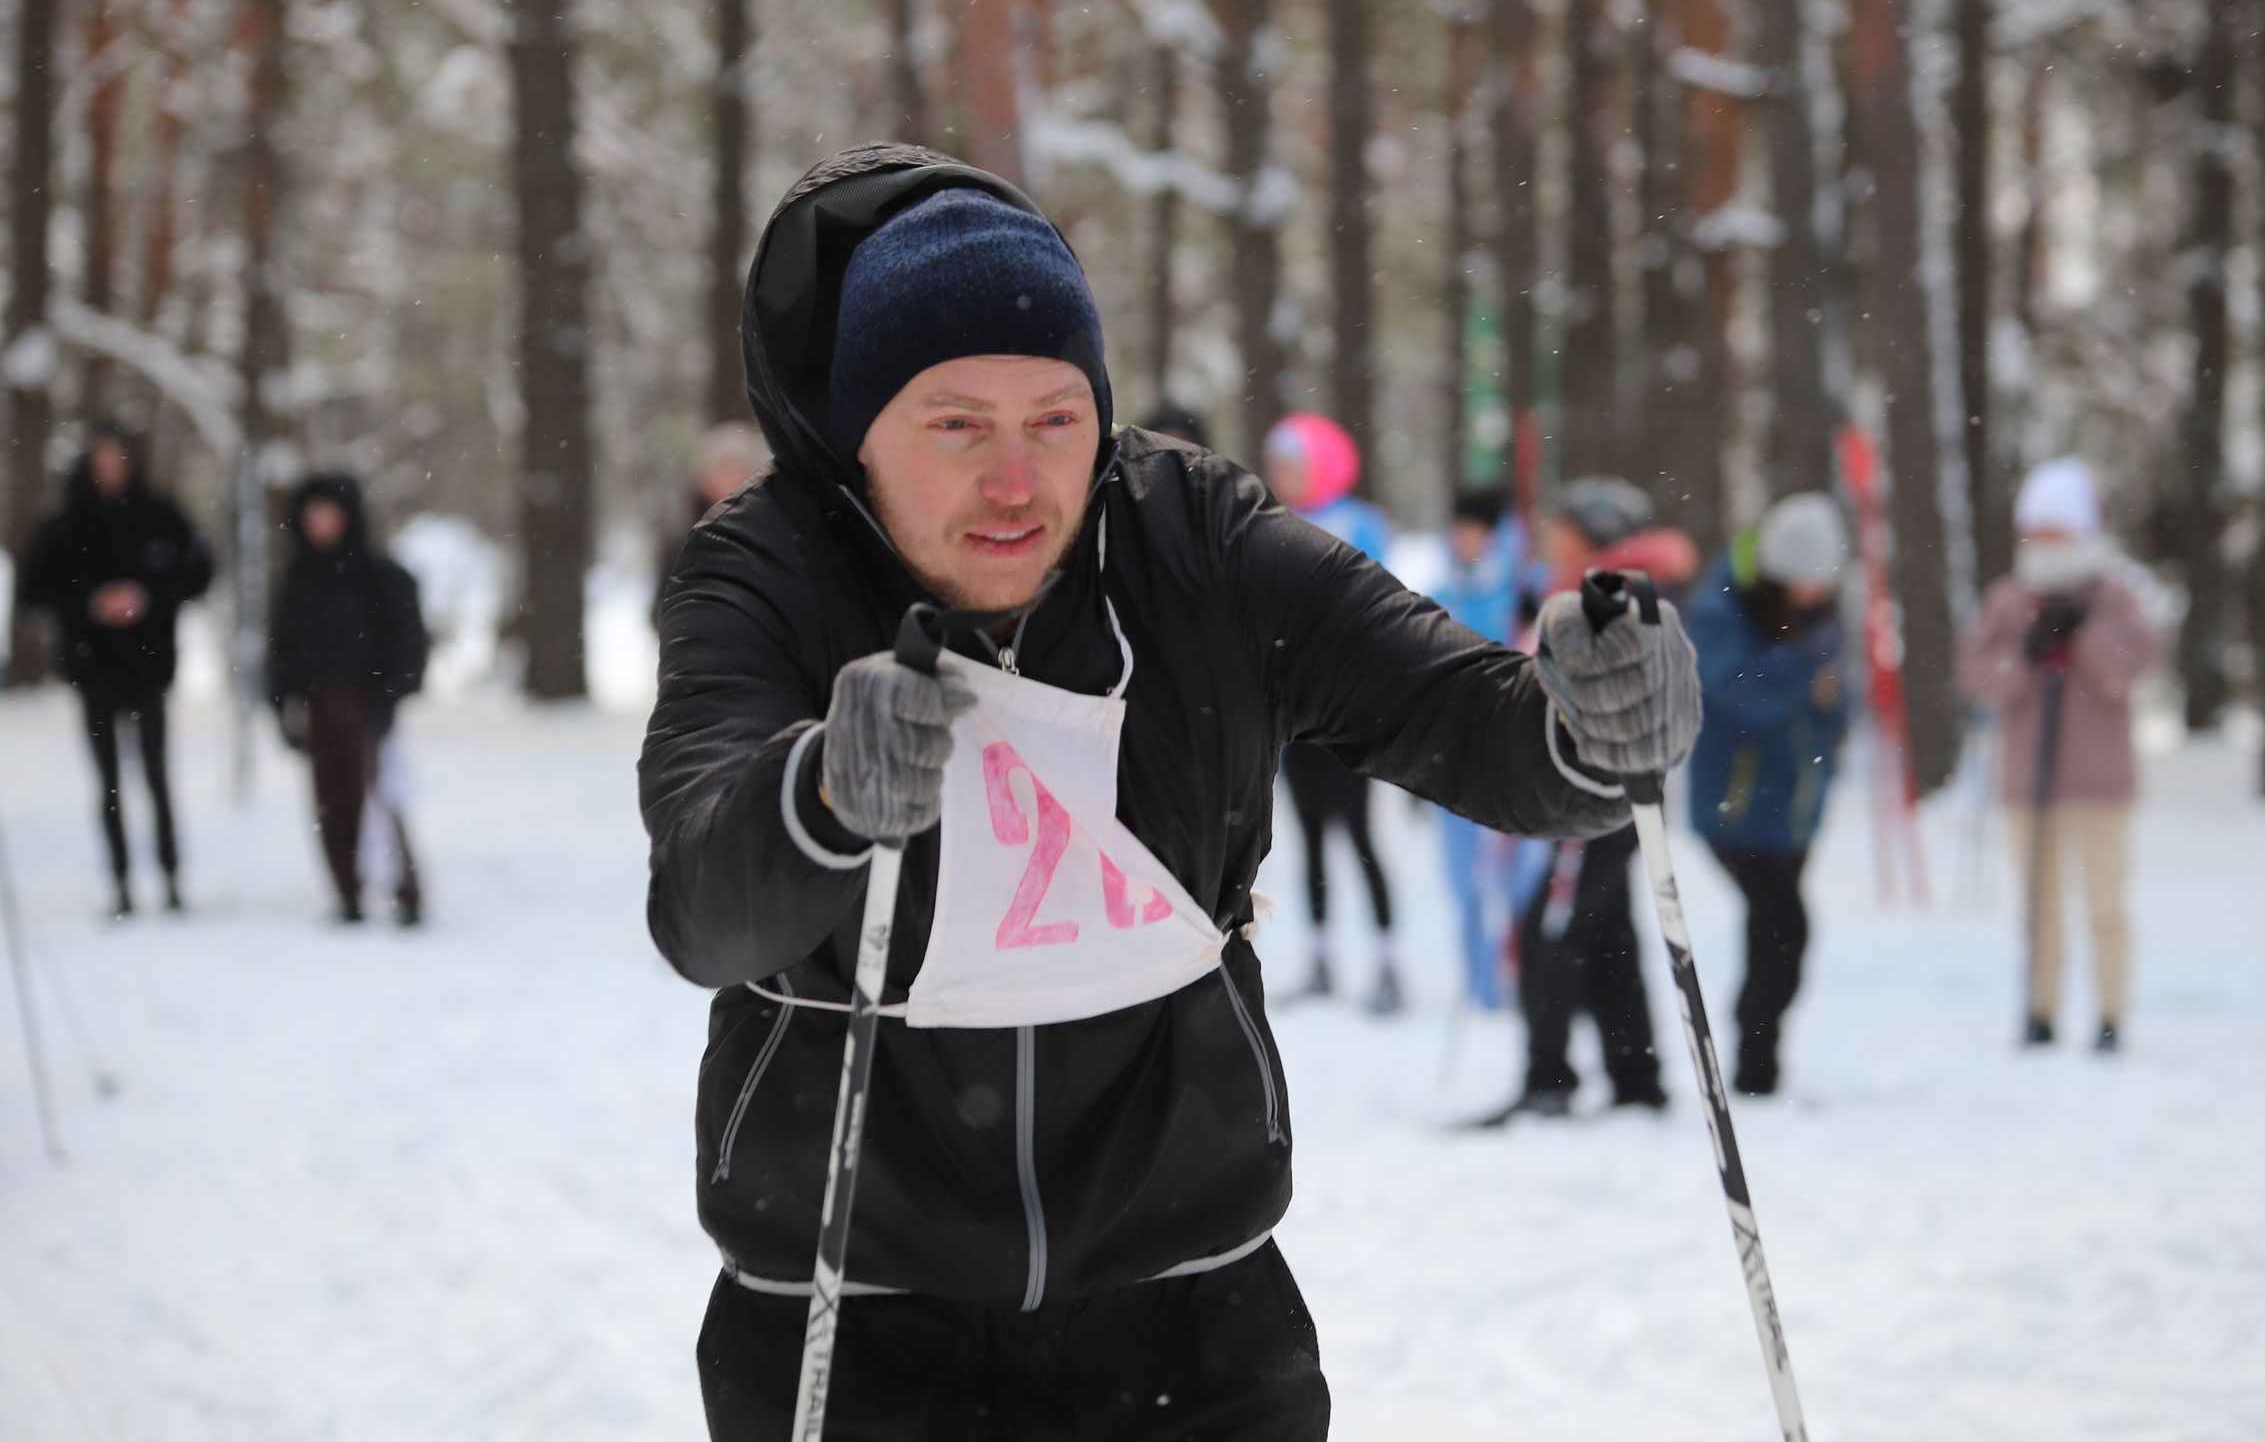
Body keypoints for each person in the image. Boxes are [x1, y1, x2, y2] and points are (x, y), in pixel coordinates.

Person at [641, 145, 1699, 1441]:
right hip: (853, 1314)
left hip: (1186, 1315)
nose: (1018, 480)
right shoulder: (767, 569)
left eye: (1055, 418)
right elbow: (701, 899)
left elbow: (1460, 715)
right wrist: (819, 798)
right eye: (957, 423)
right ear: (860, 436)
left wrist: (1595, 725)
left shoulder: (1192, 537)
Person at [1479, 476, 1702, 1123]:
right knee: (1606, 931)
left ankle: (1550, 1076)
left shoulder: (1612, 593)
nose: (1550, 540)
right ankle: (1636, 1074)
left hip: (1600, 789)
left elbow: (1560, 679)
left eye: (1562, 530)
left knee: (1551, 927)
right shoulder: (1613, 588)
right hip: (1616, 791)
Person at [1956, 457, 2161, 1052]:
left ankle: (2111, 1014)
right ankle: (2040, 1010)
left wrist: (2087, 631)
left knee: (2105, 904)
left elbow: (2130, 669)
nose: (2047, 544)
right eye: (2038, 532)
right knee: (2039, 908)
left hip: (2099, 782)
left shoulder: (2114, 597)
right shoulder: (2009, 600)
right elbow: (1979, 675)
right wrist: (2024, 654)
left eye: (2058, 531)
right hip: (2029, 779)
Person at [1683, 493, 1855, 1097]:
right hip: (1735, 807)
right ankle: (1756, 1059)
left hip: (1795, 805)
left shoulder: (1816, 614)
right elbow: (1737, 694)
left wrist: (1835, 697)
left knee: (1773, 931)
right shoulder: (1720, 605)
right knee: (1785, 926)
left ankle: (1760, 1062)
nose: (1813, 595)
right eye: (1803, 584)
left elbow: (1834, 699)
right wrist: (1808, 672)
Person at [15, 422, 214, 916]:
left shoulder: (159, 514)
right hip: (93, 667)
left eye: (117, 460)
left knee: (156, 775)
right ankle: (121, 881)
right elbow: (34, 589)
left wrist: (147, 596)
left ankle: (170, 877)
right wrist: (90, 603)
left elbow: (199, 570)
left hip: (148, 666)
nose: (109, 471)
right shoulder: (66, 522)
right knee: (107, 781)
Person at [1261, 411, 1402, 1014]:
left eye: (1290, 463)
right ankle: (1320, 957)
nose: (1279, 475)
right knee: (1310, 837)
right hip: (1296, 718)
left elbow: (1378, 609)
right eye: (1275, 465)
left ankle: (1389, 964)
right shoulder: (1267, 521)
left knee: (1363, 838)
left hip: (1349, 714)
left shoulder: (1360, 522)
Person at [267, 474, 432, 926]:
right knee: (329, 803)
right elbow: (281, 646)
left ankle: (405, 888)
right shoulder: (297, 579)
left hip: (367, 701)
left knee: (380, 797)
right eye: (313, 514)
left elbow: (408, 641)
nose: (321, 523)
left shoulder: (379, 574)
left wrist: (389, 698)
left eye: (329, 513)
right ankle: (347, 890)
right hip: (317, 704)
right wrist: (280, 701)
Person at [1433, 486, 1525, 1010]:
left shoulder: (1522, 586)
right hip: (1455, 755)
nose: (1464, 538)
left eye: (1476, 529)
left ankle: (1524, 974)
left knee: (1521, 877)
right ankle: (1482, 983)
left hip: (1515, 753)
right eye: (1459, 527)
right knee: (1465, 880)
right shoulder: (1443, 589)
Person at [658, 422, 770, 626]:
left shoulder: (775, 538)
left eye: (739, 467)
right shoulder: (682, 544)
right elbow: (659, 611)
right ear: (704, 478)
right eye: (723, 468)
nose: (732, 478)